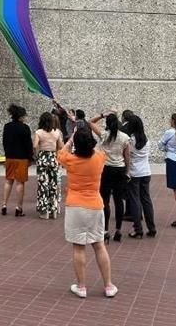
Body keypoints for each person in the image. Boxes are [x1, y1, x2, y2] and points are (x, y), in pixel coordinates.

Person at [57, 126, 117, 299]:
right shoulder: (99, 158)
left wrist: (70, 140)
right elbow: (101, 148)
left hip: (75, 205)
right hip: (95, 205)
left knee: (78, 246)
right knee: (99, 245)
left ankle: (81, 287)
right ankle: (108, 285)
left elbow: (61, 152)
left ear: (76, 143)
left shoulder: (69, 159)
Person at [92, 111, 131, 243]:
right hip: (119, 169)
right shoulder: (125, 137)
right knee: (119, 200)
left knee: (105, 200)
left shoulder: (104, 135)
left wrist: (103, 114)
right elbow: (127, 156)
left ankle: (105, 230)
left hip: (105, 169)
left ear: (107, 124)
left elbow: (90, 122)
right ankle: (118, 229)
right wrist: (128, 171)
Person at [124, 114, 157, 238]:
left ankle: (138, 229)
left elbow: (127, 156)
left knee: (135, 200)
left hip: (134, 172)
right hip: (146, 171)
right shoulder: (146, 140)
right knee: (146, 200)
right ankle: (152, 227)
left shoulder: (130, 141)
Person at [1, 104, 33, 217]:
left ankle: (4, 205)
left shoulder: (7, 126)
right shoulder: (25, 128)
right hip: (21, 158)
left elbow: (4, 142)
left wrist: (7, 155)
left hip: (10, 157)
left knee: (8, 181)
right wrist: (30, 158)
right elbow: (28, 145)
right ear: (21, 116)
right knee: (20, 183)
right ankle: (18, 208)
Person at [34, 111, 64, 219]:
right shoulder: (56, 132)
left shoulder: (38, 132)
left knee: (43, 185)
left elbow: (35, 145)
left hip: (43, 157)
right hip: (53, 158)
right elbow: (61, 146)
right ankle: (54, 210)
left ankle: (44, 211)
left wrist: (37, 155)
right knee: (53, 184)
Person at [160, 112, 176, 227]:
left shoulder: (170, 132)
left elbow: (160, 145)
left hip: (172, 160)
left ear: (173, 121)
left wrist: (167, 148)